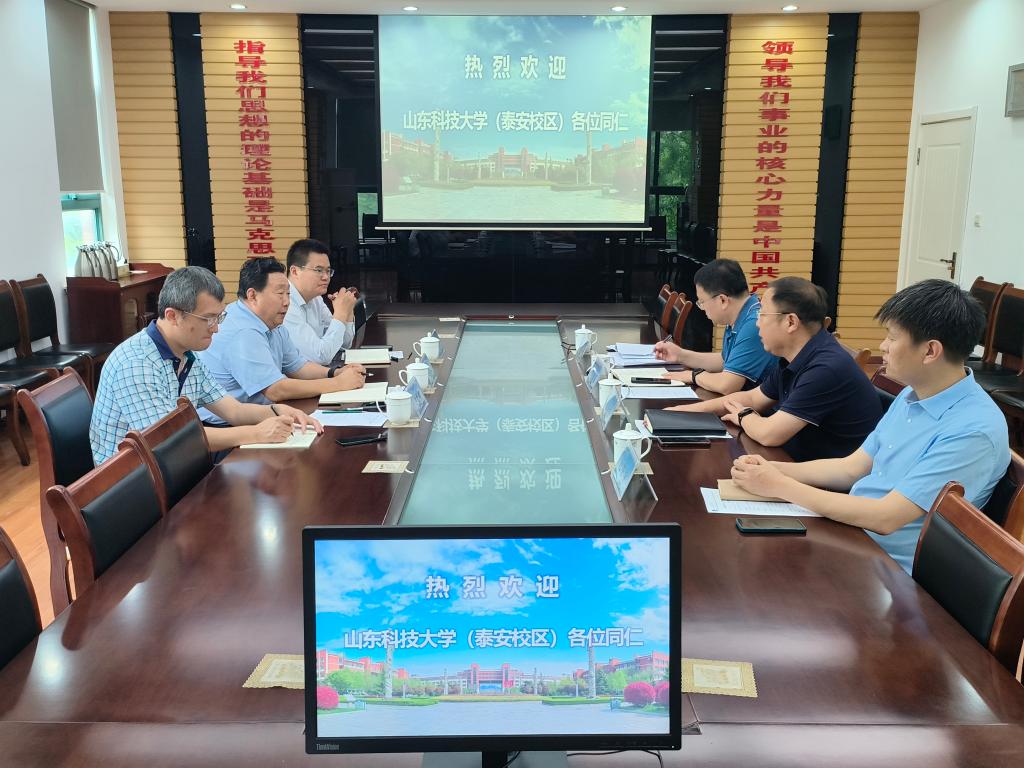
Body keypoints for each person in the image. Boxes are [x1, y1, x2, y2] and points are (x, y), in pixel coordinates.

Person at [731, 279, 1010, 574]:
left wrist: (779, 485)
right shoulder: (912, 394)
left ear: (930, 351)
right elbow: (850, 469)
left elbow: (885, 517)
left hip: (890, 572)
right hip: (853, 537)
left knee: (755, 568)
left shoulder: (972, 431)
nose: (883, 347)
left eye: (892, 337)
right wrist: (771, 469)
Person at [90, 266, 321, 465]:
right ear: (172, 316)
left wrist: (278, 411)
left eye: (219, 318)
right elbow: (168, 440)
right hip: (130, 481)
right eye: (208, 319)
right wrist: (257, 433)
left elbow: (234, 411)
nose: (216, 328)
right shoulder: (136, 364)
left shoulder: (188, 355)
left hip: (173, 466)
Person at [666, 276, 882, 461]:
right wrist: (681, 413)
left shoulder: (825, 368)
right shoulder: (796, 355)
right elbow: (752, 398)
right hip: (791, 460)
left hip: (823, 481)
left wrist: (744, 416)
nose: (757, 323)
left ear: (791, 322)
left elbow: (769, 434)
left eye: (763, 315)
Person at [197, 258, 366, 425]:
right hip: (227, 427)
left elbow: (298, 366)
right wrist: (337, 383)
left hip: (264, 414)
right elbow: (275, 390)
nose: (287, 302)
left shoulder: (270, 321)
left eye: (288, 294)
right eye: (280, 294)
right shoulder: (243, 331)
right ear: (253, 295)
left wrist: (335, 373)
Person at [653, 259, 776, 394]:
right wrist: (681, 355)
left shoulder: (754, 324)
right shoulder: (740, 314)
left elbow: (727, 385)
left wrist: (693, 376)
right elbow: (725, 361)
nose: (702, 308)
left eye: (702, 302)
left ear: (722, 300)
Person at [283, 238, 360, 365]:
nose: (326, 277)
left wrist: (347, 310)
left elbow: (344, 344)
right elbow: (321, 357)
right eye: (318, 270)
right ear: (295, 271)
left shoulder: (315, 298)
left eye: (328, 271)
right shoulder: (285, 304)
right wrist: (340, 313)